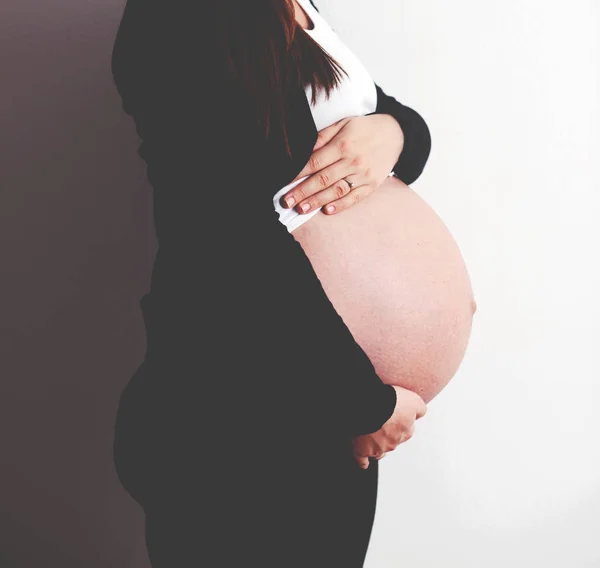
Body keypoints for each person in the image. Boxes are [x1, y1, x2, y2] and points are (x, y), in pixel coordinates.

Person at [111, 1, 434, 566]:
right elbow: (220, 232)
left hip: (320, 407)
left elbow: (393, 125)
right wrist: (364, 404)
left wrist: (394, 130)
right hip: (244, 414)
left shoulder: (298, 6)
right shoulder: (185, 13)